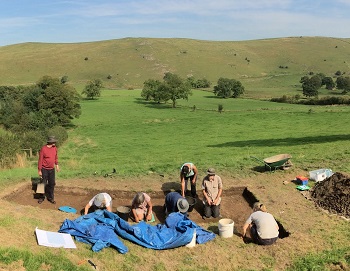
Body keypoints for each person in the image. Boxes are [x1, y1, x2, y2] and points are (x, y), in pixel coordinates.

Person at [37, 136, 60, 204]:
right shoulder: (43, 149)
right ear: (50, 142)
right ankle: (41, 197)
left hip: (51, 169)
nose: (55, 142)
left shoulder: (55, 148)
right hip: (44, 169)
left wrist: (57, 165)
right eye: (54, 141)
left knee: (52, 184)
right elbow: (40, 160)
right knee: (42, 183)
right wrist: (39, 170)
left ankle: (51, 198)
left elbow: (56, 157)